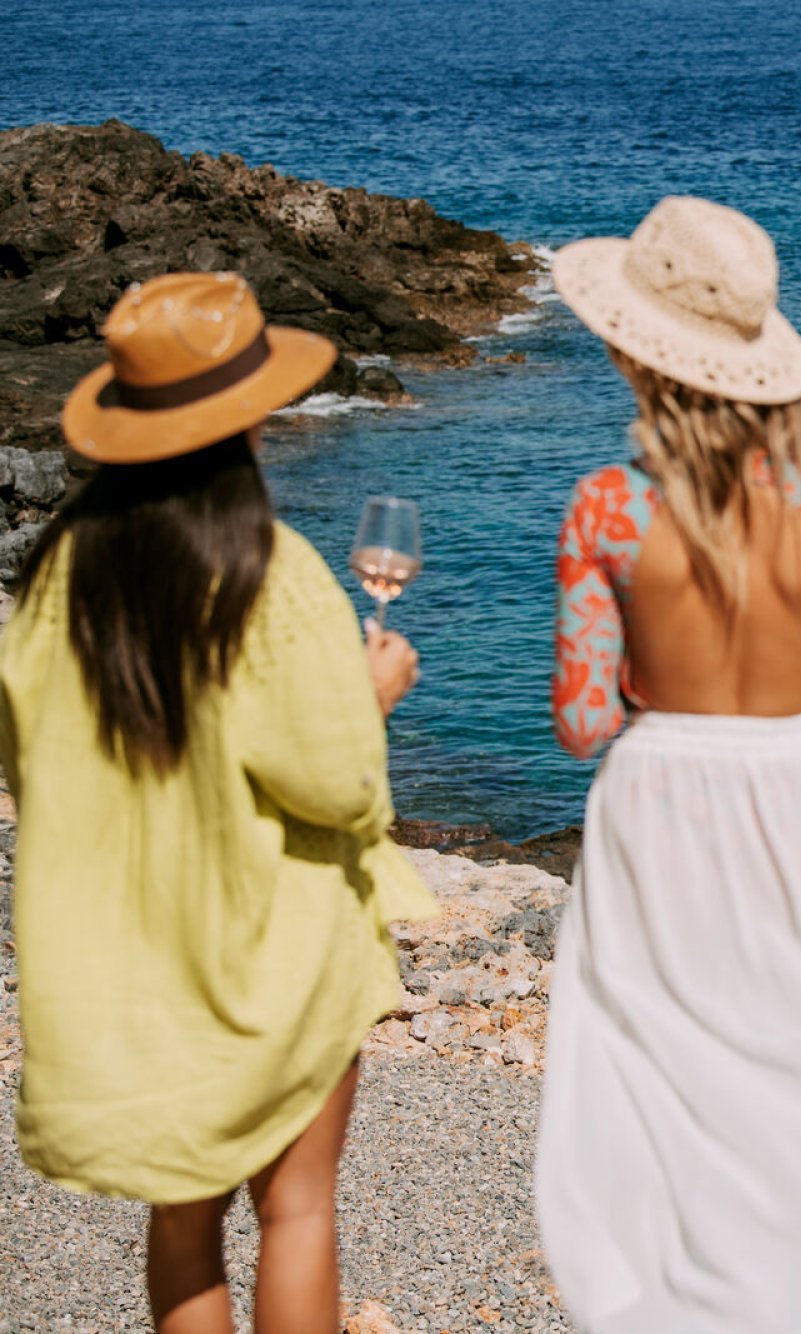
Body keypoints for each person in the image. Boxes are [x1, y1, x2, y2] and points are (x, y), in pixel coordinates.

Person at [0, 272, 437, 1333]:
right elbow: (335, 785)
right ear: (248, 418)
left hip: (136, 961)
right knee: (296, 1210)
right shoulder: (265, 570)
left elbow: (29, 765)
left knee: (184, 1225)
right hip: (272, 956)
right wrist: (372, 694)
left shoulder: (58, 575)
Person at [535, 197, 801, 1331]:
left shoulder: (607, 508)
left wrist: (667, 707)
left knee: (657, 1072)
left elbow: (581, 722)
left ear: (638, 355)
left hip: (657, 793)